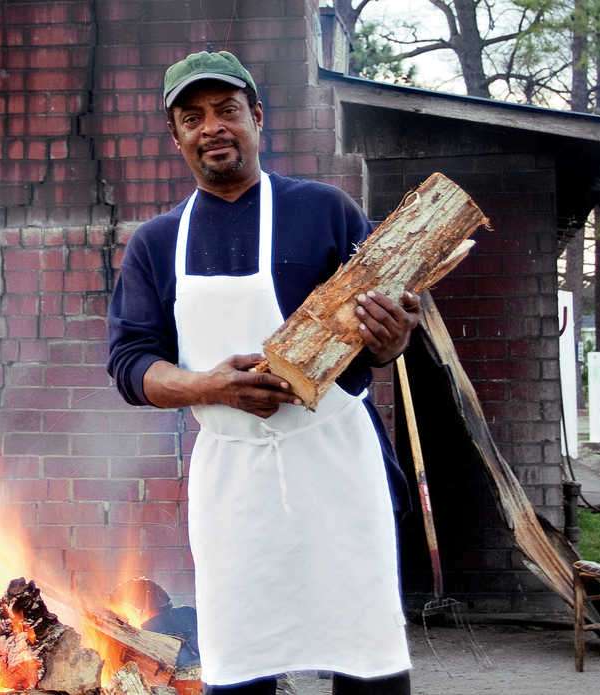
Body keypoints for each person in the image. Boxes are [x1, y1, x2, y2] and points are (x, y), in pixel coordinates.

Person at [106, 51, 420, 695]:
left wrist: (393, 338)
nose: (212, 127)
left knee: (367, 658)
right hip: (235, 481)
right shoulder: (156, 244)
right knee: (239, 665)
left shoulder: (325, 212)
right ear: (176, 136)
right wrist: (207, 386)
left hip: (335, 464)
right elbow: (130, 364)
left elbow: (381, 330)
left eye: (227, 111)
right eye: (192, 117)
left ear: (256, 116)